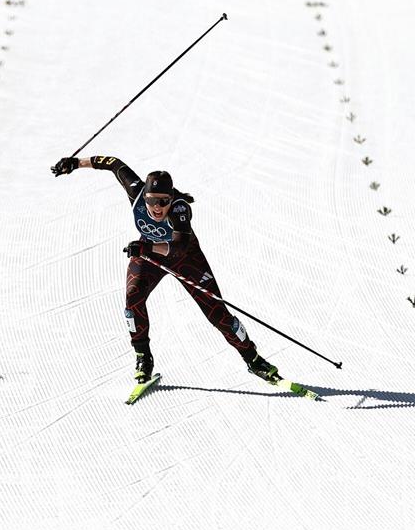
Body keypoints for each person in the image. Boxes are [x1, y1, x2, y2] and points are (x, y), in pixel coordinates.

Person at [51, 155, 278, 385]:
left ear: (171, 198)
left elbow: (178, 247)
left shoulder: (180, 208)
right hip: (149, 253)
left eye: (163, 201)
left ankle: (254, 360)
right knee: (133, 298)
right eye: (151, 201)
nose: (156, 207)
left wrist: (146, 246)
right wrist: (76, 163)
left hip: (185, 259)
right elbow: (112, 163)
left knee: (218, 314)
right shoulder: (136, 192)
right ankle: (143, 357)